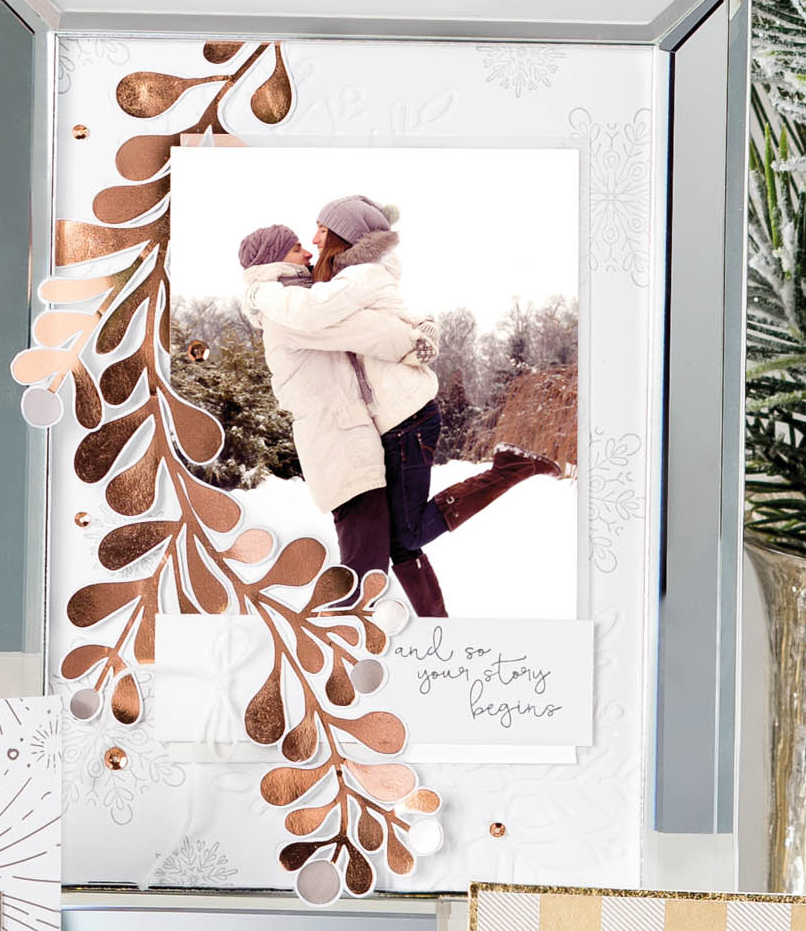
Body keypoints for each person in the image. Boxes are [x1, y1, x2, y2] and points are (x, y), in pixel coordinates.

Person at [245, 196, 561, 619]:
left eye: (319, 231)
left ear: (341, 234)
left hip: (405, 417)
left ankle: (509, 470)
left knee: (405, 535)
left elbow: (369, 330)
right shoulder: (314, 294)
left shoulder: (351, 280)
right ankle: (436, 625)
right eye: (300, 243)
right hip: (387, 422)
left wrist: (414, 338)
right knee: (401, 541)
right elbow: (347, 323)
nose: (312, 244)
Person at [234, 218, 420, 611]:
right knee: (364, 566)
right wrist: (415, 338)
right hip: (338, 441)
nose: (307, 252)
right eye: (295, 248)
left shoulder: (296, 301)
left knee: (369, 560)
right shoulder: (289, 312)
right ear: (275, 259)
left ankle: (342, 630)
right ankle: (334, 635)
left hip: (345, 436)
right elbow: (374, 333)